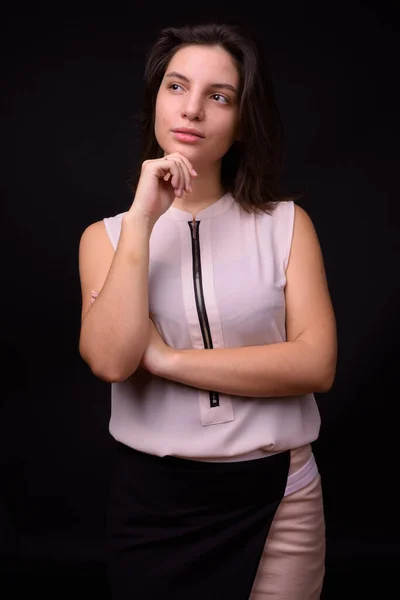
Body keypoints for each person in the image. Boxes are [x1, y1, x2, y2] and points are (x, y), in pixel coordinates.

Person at [78, 21, 337, 600]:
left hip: (279, 498)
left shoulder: (287, 226)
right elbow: (112, 361)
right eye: (177, 86)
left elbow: (315, 365)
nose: (191, 109)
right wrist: (144, 218)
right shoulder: (108, 237)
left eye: (218, 96)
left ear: (243, 121)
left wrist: (166, 359)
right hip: (155, 506)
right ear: (155, 100)